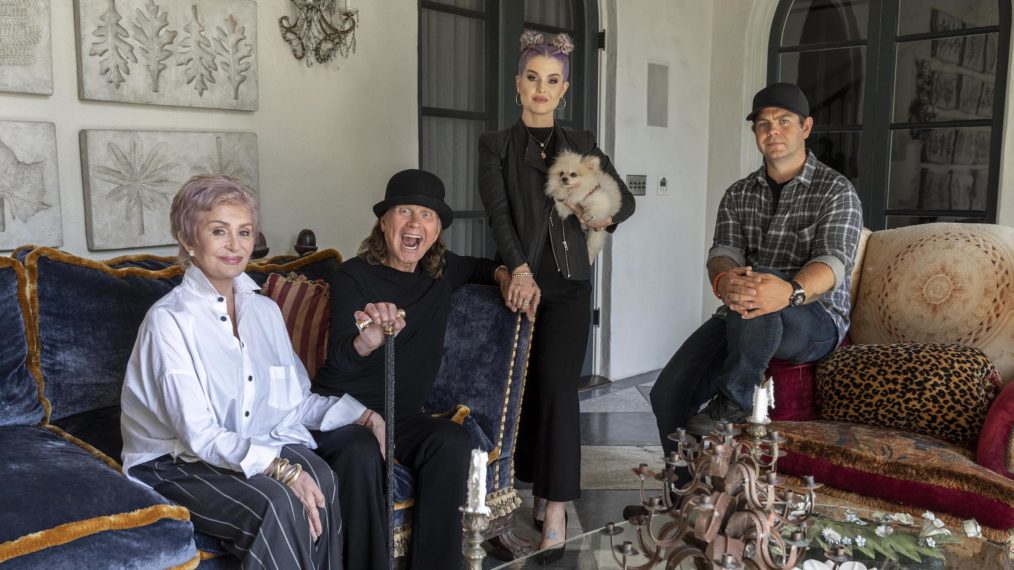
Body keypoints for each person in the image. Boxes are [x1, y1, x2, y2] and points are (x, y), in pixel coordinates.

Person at [121, 174, 385, 570]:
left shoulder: (265, 311)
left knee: (323, 479)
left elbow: (292, 402)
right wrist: (279, 468)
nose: (235, 245)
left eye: (244, 232)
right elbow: (198, 435)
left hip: (244, 441)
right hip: (173, 460)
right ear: (189, 239)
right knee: (276, 502)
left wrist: (361, 415)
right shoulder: (169, 321)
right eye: (219, 231)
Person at [477, 31, 636, 557]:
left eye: (552, 80)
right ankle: (529, 490)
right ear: (518, 85)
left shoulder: (581, 143)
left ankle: (557, 503)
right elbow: (500, 216)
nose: (541, 89)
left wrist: (604, 215)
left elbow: (626, 202)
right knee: (522, 391)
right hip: (519, 283)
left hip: (569, 285)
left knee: (559, 390)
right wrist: (518, 268)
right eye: (532, 78)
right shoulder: (495, 146)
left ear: (563, 89)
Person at [312, 169, 512, 570]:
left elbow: (479, 267)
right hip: (344, 413)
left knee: (452, 441)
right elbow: (338, 360)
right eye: (404, 211)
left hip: (402, 418)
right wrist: (365, 342)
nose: (414, 223)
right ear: (384, 222)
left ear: (436, 230)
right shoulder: (353, 275)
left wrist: (508, 275)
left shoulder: (440, 272)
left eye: (427, 215)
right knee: (359, 449)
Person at [649, 82, 863, 448]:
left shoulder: (836, 190)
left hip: (815, 318)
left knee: (763, 284)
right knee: (668, 395)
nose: (773, 131)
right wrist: (723, 279)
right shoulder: (739, 193)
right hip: (745, 311)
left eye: (784, 121)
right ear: (754, 133)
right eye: (763, 124)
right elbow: (724, 251)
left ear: (805, 128)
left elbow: (834, 262)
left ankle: (735, 399)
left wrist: (791, 291)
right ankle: (684, 493)